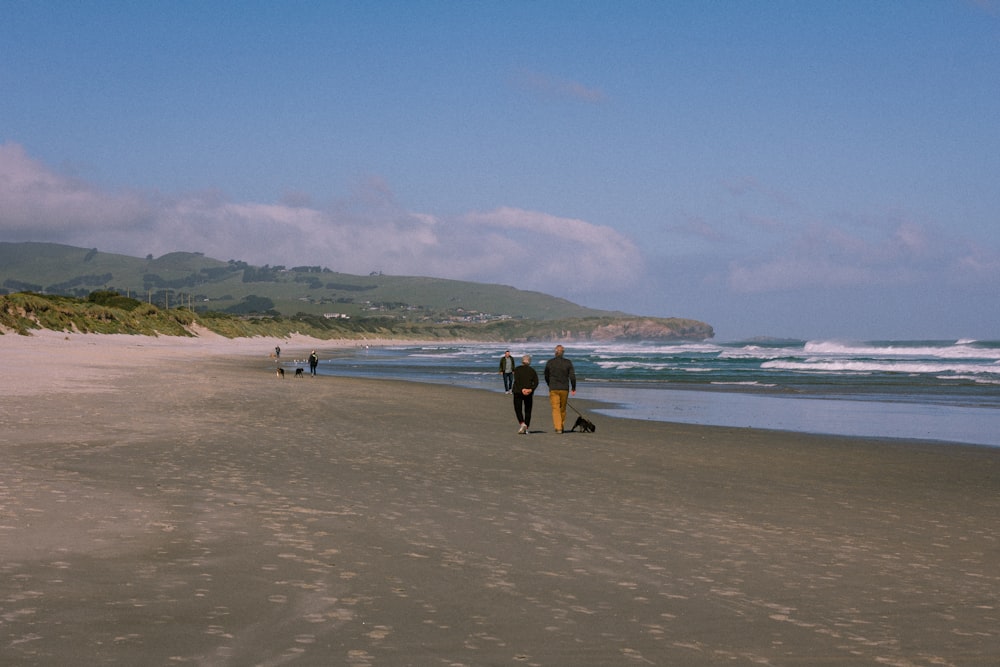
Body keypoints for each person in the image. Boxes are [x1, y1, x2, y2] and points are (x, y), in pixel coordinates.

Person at [544, 344, 576, 433]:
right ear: (563, 353)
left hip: (553, 387)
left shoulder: (550, 362)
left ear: (555, 352)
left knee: (555, 408)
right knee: (562, 408)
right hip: (564, 388)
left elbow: (546, 375)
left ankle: (559, 427)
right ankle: (560, 426)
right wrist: (573, 388)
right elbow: (572, 376)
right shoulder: (568, 362)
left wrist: (549, 384)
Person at [511, 354, 538, 434]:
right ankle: (526, 427)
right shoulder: (532, 370)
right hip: (529, 392)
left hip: (518, 391)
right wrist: (530, 389)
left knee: (518, 408)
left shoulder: (517, 369)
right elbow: (536, 382)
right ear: (529, 362)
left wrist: (522, 389)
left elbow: (517, 381)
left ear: (522, 361)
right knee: (528, 410)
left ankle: (522, 423)